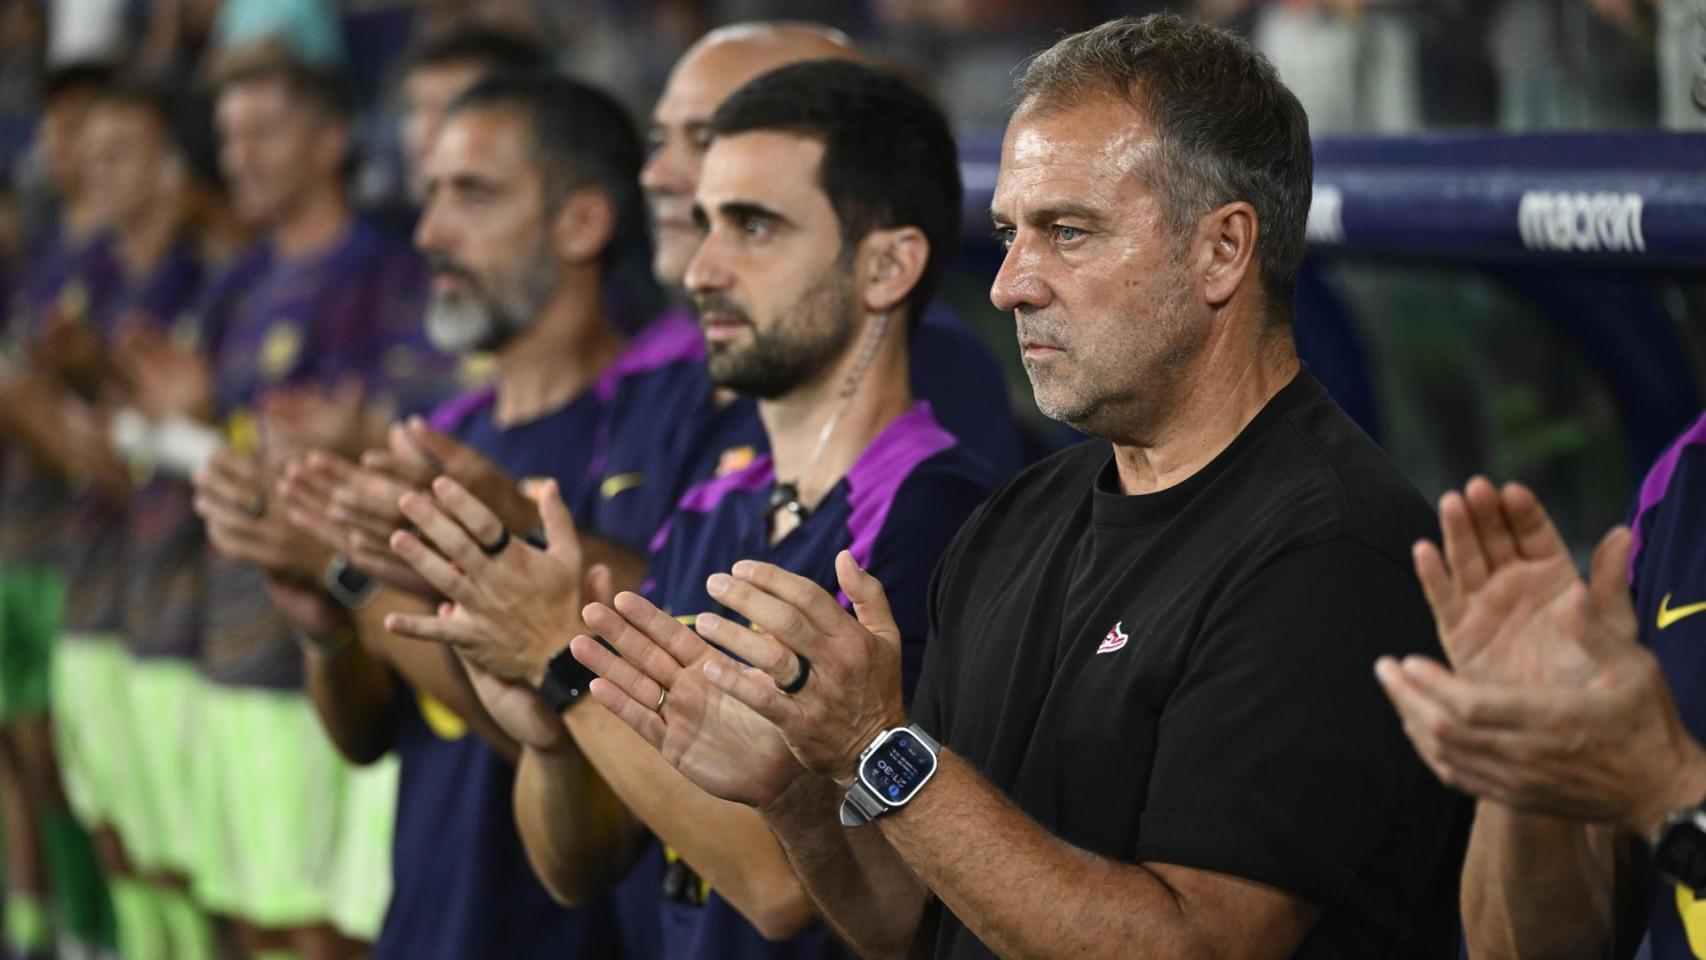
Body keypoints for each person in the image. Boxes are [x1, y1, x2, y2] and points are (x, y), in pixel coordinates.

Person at [580, 14, 1471, 959]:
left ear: (1224, 251)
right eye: (1009, 233)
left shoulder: (1330, 553)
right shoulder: (1018, 519)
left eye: (1068, 233)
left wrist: (883, 750)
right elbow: (902, 916)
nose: (1010, 284)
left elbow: (1195, 947)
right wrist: (798, 791)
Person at [385, 58, 998, 959]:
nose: (705, 269)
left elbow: (783, 885)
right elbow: (583, 866)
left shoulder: (936, 517)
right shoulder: (720, 502)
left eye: (754, 228)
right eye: (705, 223)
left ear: (887, 266)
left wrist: (560, 654)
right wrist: (552, 742)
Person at [257, 70, 691, 960]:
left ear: (582, 222)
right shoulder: (436, 435)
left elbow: (635, 696)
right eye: (430, 197)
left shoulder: (674, 404)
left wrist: (363, 576)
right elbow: (368, 735)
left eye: (473, 196)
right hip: (425, 922)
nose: (431, 234)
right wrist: (325, 623)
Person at [184, 52, 433, 958]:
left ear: (332, 141)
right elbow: (222, 432)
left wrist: (357, 434)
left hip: (345, 638)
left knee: (334, 923)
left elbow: (425, 434)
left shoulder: (384, 272)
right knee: (257, 909)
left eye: (263, 132)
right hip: (241, 622)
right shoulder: (237, 281)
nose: (239, 155)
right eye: (226, 137)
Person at [638, 21, 1027, 482]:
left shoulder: (927, 370)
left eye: (706, 138)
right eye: (660, 139)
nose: (654, 175)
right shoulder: (667, 365)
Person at [1375, 429, 1706, 959]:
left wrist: (1668, 790)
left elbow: (1659, 785)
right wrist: (1532, 759)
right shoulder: (1682, 482)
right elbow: (1515, 950)